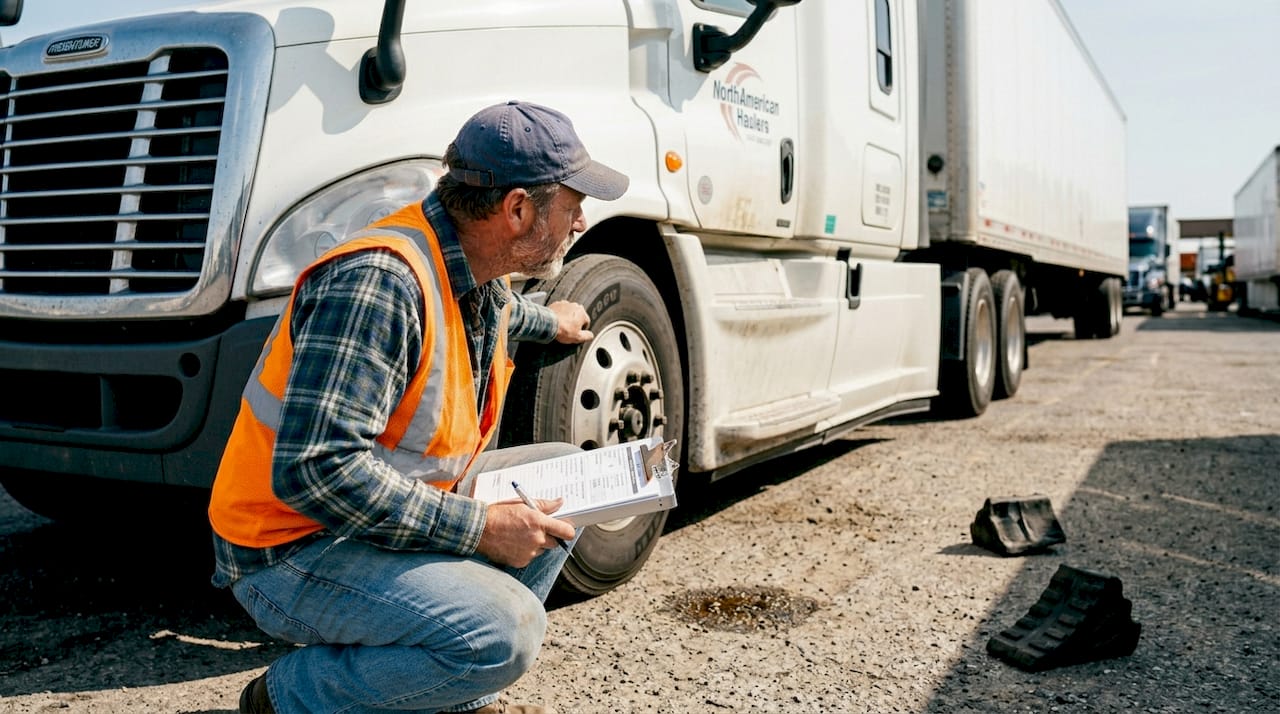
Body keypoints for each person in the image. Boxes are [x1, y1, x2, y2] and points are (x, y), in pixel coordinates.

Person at [207, 101, 629, 714]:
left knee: (569, 479)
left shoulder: (471, 263)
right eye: (571, 205)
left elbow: (493, 316)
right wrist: (482, 529)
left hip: (369, 520)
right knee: (503, 633)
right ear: (517, 210)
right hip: (293, 550)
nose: (581, 221)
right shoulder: (378, 284)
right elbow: (317, 471)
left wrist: (552, 321)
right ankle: (287, 697)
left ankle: (439, 692)